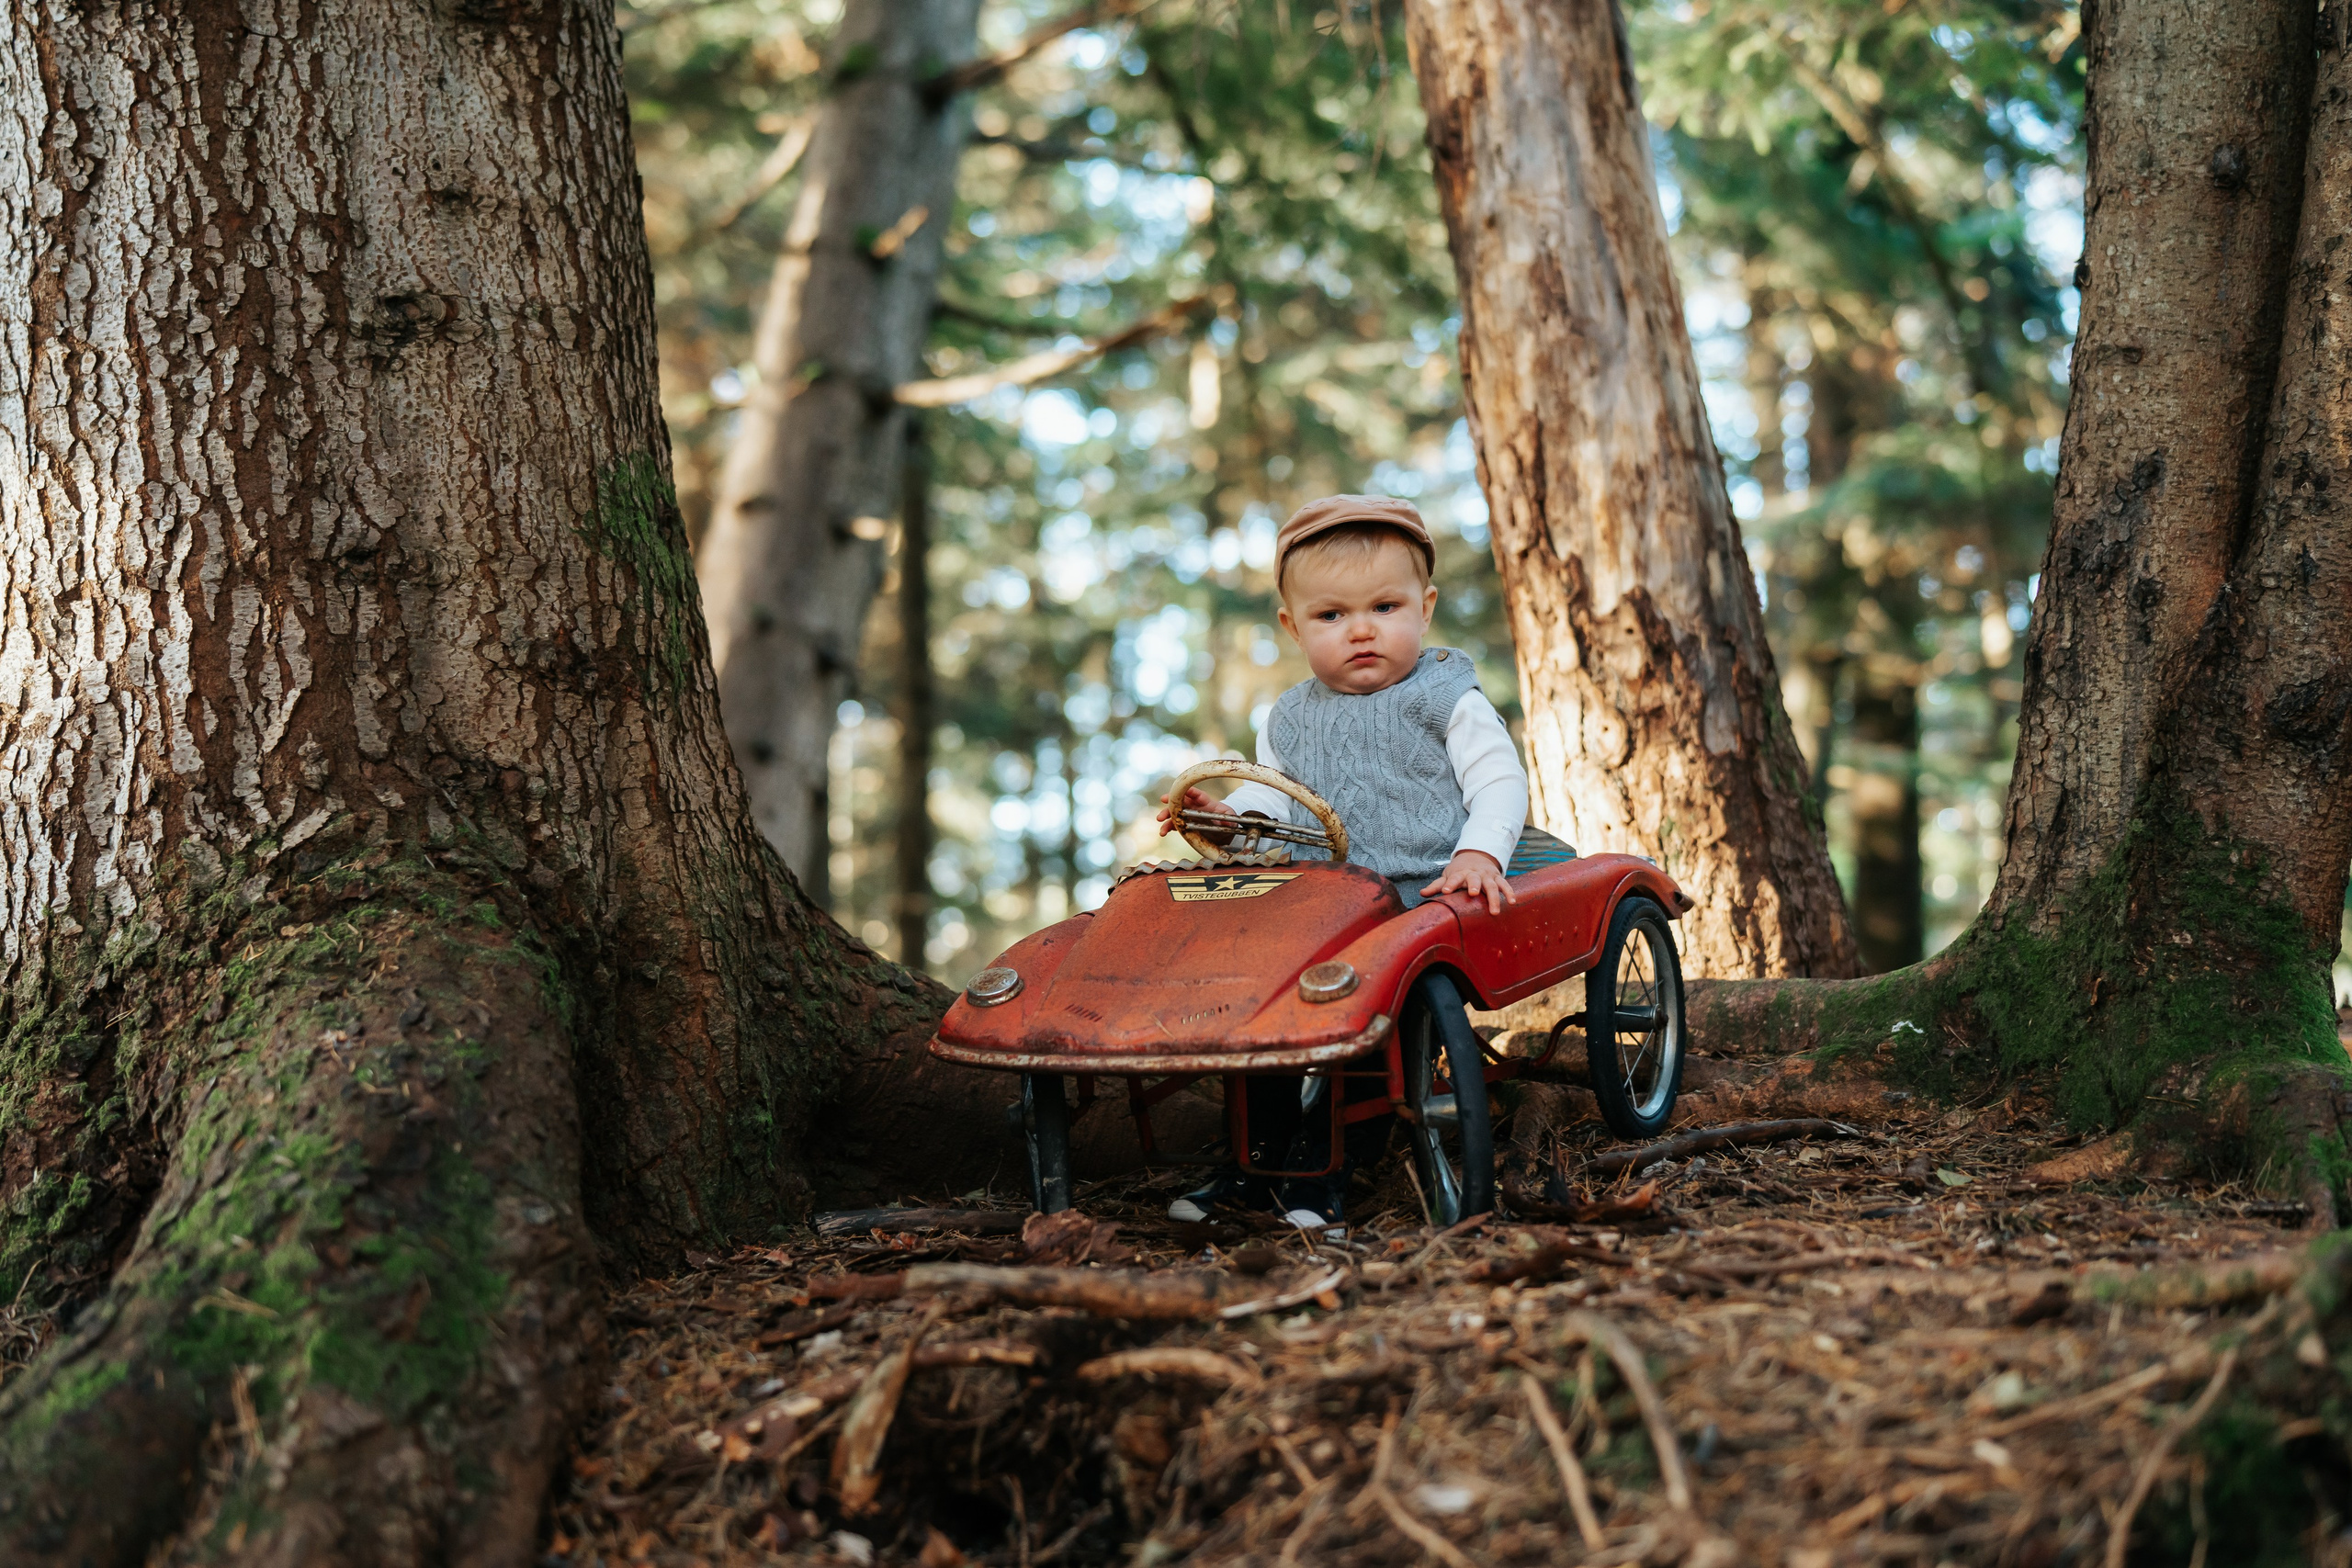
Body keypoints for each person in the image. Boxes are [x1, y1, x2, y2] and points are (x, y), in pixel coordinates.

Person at [1152, 494, 1529, 1235]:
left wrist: (1479, 850)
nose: (1361, 629)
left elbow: (1498, 780)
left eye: (1384, 606)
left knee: (1351, 1013)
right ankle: (1251, 1154)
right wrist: (1227, 825)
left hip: (1418, 892)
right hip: (1318, 901)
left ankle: (1326, 1169)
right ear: (1293, 627)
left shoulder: (1446, 695)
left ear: (1424, 608)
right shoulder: (1287, 718)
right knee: (1254, 1001)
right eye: (1330, 616)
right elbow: (1281, 816)